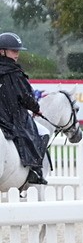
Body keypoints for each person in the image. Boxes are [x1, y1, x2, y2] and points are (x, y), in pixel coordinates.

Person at [0, 31, 48, 187]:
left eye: (17, 51)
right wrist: (36, 108)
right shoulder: (14, 72)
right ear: (2, 51)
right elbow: (26, 97)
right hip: (10, 117)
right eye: (14, 50)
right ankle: (35, 171)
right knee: (42, 132)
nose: (17, 54)